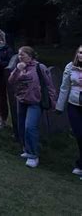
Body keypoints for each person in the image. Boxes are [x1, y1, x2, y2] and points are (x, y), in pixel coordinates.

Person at [8, 46, 56, 168]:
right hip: (21, 100)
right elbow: (11, 81)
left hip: (35, 101)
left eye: (22, 55)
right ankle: (27, 149)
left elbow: (49, 85)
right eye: (19, 55)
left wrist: (53, 102)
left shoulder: (40, 67)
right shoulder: (19, 67)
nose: (20, 57)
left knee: (30, 127)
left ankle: (34, 155)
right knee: (22, 126)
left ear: (30, 56)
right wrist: (17, 70)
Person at [55, 45, 82, 177]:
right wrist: (59, 106)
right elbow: (64, 87)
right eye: (80, 53)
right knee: (79, 135)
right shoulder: (70, 67)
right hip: (74, 105)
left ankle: (80, 164)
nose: (81, 56)